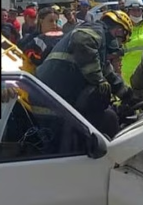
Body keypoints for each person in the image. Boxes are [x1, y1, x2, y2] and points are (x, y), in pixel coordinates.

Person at [36, 10, 134, 138]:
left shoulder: (97, 48)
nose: (118, 46)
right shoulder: (96, 29)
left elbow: (108, 73)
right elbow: (82, 40)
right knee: (102, 104)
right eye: (121, 41)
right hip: (52, 105)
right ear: (118, 31)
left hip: (56, 103)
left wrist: (128, 95)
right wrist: (98, 80)